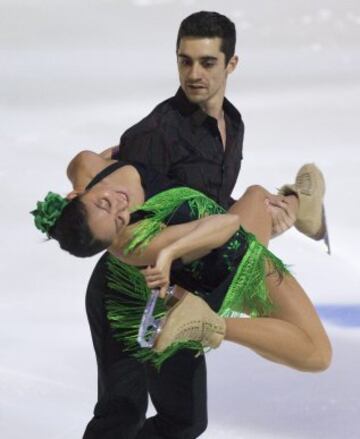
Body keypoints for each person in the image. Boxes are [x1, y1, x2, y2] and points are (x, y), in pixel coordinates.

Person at [41, 11, 327, 439]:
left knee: (186, 421)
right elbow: (137, 226)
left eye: (207, 62)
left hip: (187, 276)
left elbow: (203, 208)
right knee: (122, 415)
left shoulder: (232, 123)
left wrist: (261, 218)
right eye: (185, 61)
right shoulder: (155, 136)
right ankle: (295, 203)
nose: (194, 74)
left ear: (231, 64)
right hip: (132, 290)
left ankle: (292, 202)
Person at [32, 151, 332, 376]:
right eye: (120, 220)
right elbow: (227, 225)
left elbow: (115, 153)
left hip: (223, 238)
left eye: (105, 202)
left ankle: (301, 203)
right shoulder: (136, 243)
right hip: (231, 268)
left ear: (77, 193)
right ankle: (211, 325)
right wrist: (169, 252)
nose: (121, 205)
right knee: (317, 354)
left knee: (258, 197)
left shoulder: (85, 164)